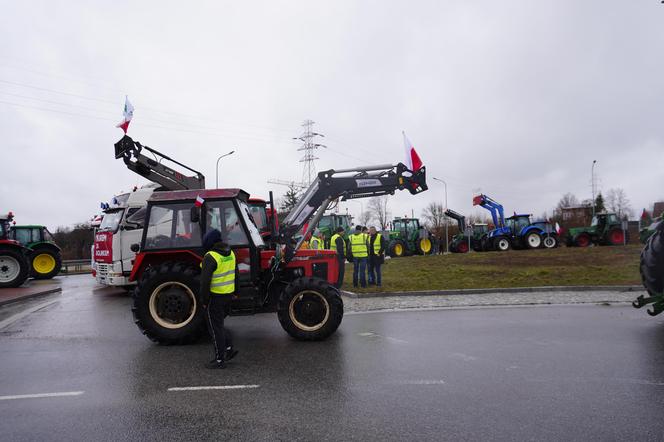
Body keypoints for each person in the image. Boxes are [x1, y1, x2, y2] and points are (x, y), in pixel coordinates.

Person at [200, 229, 239, 369]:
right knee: (219, 325)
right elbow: (236, 274)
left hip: (215, 298)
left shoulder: (210, 256)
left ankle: (219, 360)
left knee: (214, 328)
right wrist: (236, 292)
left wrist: (204, 301)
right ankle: (229, 349)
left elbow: (205, 282)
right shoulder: (230, 253)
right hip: (228, 296)